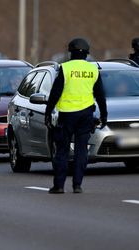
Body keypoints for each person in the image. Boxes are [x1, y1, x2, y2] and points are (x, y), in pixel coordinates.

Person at [45, 38, 108, 194]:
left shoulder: (65, 68)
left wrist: (48, 112)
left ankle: (59, 186)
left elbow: (55, 93)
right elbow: (100, 95)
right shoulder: (93, 70)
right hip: (86, 115)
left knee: (62, 151)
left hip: (67, 115)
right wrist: (104, 115)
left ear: (70, 53)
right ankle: (77, 185)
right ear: (86, 53)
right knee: (81, 151)